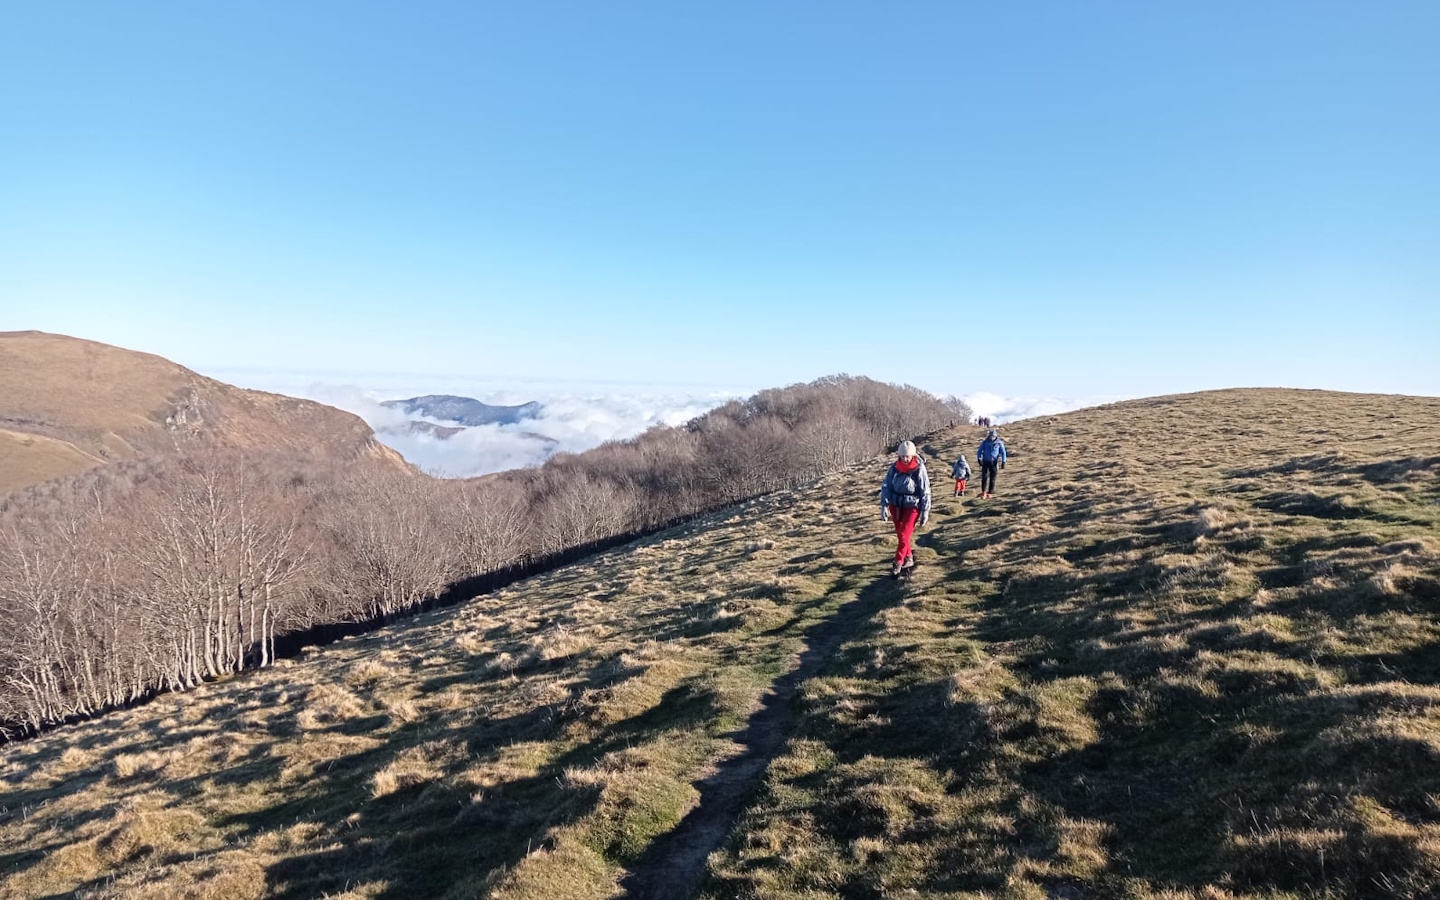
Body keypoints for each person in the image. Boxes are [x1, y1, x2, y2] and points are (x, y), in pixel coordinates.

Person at [880, 440, 930, 578]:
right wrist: (884, 505)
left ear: (913, 455)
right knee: (902, 536)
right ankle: (909, 558)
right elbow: (886, 486)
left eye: (907, 456)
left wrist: (925, 511)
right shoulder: (894, 468)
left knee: (904, 535)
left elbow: (925, 490)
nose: (905, 459)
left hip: (912, 507)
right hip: (895, 506)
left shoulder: (919, 469)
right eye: (902, 456)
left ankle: (897, 562)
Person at [976, 429, 1007, 498]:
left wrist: (1003, 461)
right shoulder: (985, 442)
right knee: (984, 477)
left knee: (993, 478)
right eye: (990, 436)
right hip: (985, 462)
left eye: (993, 436)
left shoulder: (999, 443)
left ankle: (990, 492)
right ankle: (983, 492)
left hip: (994, 462)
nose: (992, 438)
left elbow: (1003, 452)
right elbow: (979, 451)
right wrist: (979, 459)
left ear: (995, 436)